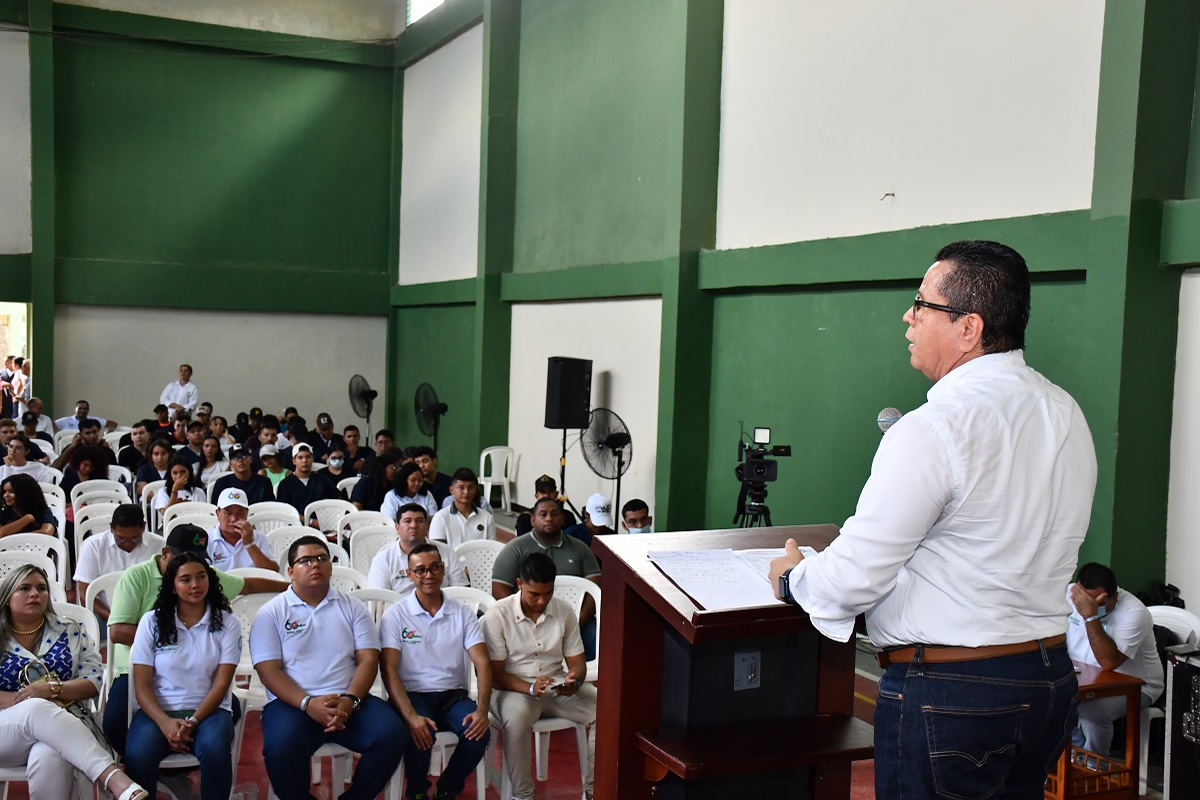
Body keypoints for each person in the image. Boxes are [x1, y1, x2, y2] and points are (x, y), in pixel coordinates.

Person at [767, 240, 1098, 798]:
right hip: (1047, 679)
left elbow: (852, 579)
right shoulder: (1064, 411)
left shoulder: (933, 427)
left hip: (951, 693)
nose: (908, 315)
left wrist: (791, 575)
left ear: (968, 328)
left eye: (921, 303)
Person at [104, 524, 286, 755]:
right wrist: (168, 640)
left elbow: (247, 585)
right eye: (183, 557)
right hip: (138, 668)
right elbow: (117, 631)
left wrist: (291, 587)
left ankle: (177, 768)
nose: (193, 578)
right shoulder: (136, 577)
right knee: (115, 722)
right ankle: (158, 773)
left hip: (194, 669)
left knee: (228, 711)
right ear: (166, 553)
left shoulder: (199, 575)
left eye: (198, 560)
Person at [251, 536, 407, 799]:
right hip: (293, 705)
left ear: (331, 566)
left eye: (322, 559)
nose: (316, 565)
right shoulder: (271, 613)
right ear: (290, 571)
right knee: (280, 749)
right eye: (306, 560)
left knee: (392, 734)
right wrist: (307, 703)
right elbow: (268, 670)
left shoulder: (353, 607)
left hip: (349, 700)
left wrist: (350, 700)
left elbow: (368, 660)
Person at [0, 564, 150, 800]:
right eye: (24, 588)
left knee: (50, 753)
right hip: (5, 732)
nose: (35, 594)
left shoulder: (71, 629)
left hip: (60, 729)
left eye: (41, 588)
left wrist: (53, 690)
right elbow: (33, 704)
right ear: (8, 598)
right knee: (37, 708)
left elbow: (93, 681)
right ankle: (112, 777)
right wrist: (34, 700)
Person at [380, 542, 492, 800]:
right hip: (413, 694)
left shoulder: (462, 614)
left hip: (452, 695)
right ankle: (417, 790)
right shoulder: (395, 615)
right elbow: (389, 668)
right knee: (420, 732)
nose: (428, 575)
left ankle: (447, 788)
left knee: (478, 732)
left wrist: (482, 710)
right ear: (409, 575)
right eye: (420, 570)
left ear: (443, 570)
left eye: (434, 568)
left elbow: (483, 663)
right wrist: (409, 715)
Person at [481, 552, 596, 800]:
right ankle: (523, 796)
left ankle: (594, 790)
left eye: (548, 593)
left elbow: (577, 662)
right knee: (517, 720)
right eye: (535, 594)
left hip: (554, 684)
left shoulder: (564, 611)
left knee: (606, 711)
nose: (542, 601)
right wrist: (530, 688)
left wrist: (574, 680)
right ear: (519, 584)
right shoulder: (497, 615)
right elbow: (496, 675)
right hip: (510, 688)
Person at [127, 553, 241, 800]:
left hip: (209, 711)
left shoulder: (227, 622)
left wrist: (194, 721)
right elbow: (142, 685)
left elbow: (222, 683)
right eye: (185, 579)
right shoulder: (152, 622)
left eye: (201, 577)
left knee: (215, 749)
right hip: (159, 711)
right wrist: (165, 723)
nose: (195, 585)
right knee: (137, 754)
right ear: (173, 586)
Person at [1066, 562, 1164, 757]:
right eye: (1086, 601)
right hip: (1085, 677)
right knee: (1049, 700)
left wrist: (1090, 616)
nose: (1091, 606)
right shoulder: (1071, 595)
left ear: (1115, 596)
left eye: (1099, 603)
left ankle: (1096, 767)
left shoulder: (1134, 613)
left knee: (1092, 711)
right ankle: (1076, 757)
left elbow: (1109, 662)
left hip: (1137, 685)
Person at [492, 497, 601, 660]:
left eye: (555, 514)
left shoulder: (581, 549)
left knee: (598, 636)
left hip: (575, 618)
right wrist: (526, 617)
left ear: (563, 518)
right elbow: (499, 588)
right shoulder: (515, 549)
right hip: (527, 620)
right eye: (543, 514)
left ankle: (585, 679)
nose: (549, 518)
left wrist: (576, 622)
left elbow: (594, 589)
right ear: (532, 520)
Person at [74, 504, 158, 621]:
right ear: (111, 529)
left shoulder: (159, 546)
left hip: (147, 616)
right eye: (120, 538)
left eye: (134, 538)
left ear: (143, 527)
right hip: (104, 614)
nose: (128, 543)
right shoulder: (94, 546)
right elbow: (84, 593)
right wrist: (116, 620)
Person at [368, 504, 466, 598]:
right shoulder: (383, 559)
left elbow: (461, 591)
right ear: (397, 528)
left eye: (419, 521)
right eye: (407, 521)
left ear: (427, 527)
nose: (413, 525)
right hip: (400, 613)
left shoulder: (447, 551)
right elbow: (379, 601)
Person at [206, 487, 278, 571]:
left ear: (246, 514)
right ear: (218, 514)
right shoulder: (207, 541)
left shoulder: (259, 537)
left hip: (254, 584)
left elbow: (273, 571)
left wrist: (250, 544)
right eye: (228, 513)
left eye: (239, 513)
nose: (233, 519)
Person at [429, 467, 495, 555]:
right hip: (451, 567)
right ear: (452, 490)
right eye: (461, 488)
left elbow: (492, 550)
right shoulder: (440, 517)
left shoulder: (487, 518)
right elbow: (437, 552)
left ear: (476, 490)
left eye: (471, 487)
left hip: (480, 567)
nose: (466, 492)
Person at [275, 442, 338, 516]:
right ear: (294, 461)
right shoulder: (285, 485)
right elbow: (285, 511)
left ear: (312, 459)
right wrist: (310, 521)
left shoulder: (322, 481)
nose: (304, 461)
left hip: (322, 523)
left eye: (308, 457)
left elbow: (337, 501)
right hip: (295, 524)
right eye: (300, 457)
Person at [211, 444, 275, 505]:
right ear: (230, 463)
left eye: (244, 456)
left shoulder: (264, 482)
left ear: (251, 459)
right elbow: (215, 509)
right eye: (235, 458)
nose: (240, 460)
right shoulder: (222, 483)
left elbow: (270, 507)